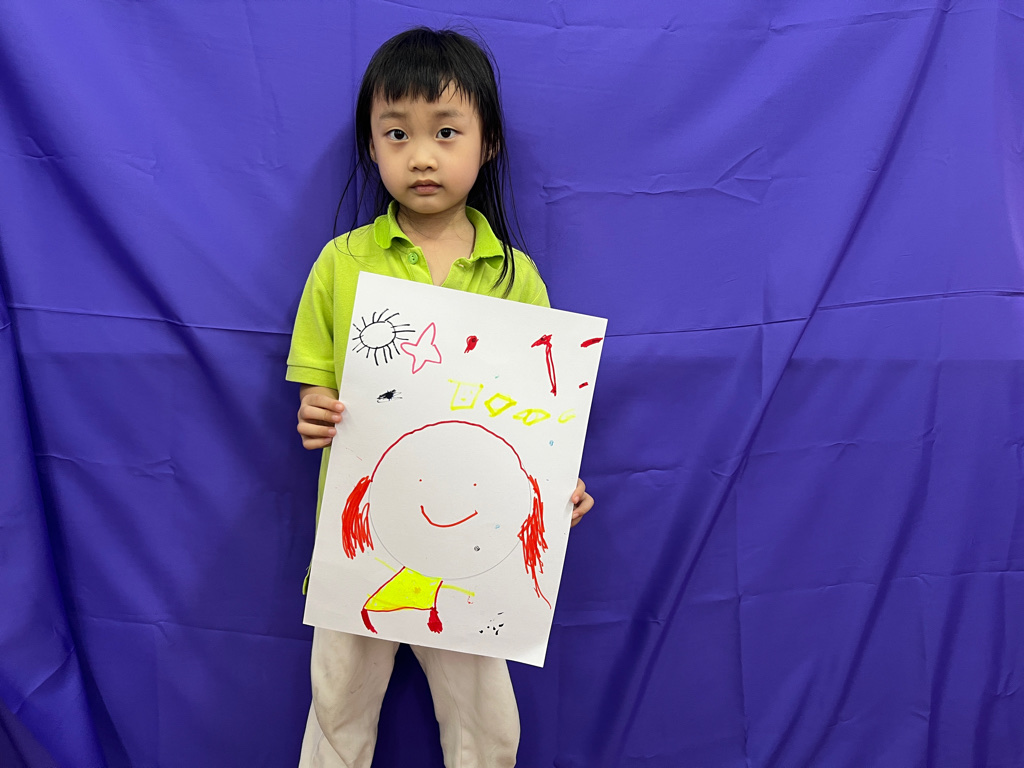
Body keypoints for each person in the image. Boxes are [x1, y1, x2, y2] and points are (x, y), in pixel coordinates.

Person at [286, 27, 594, 768]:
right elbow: (316, 387)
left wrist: (559, 483)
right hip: (361, 549)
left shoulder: (514, 275)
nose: (421, 156)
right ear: (372, 147)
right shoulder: (342, 262)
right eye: (397, 134)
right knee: (336, 713)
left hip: (474, 551)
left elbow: (540, 416)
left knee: (487, 727)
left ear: (487, 146)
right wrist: (316, 411)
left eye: (445, 132)